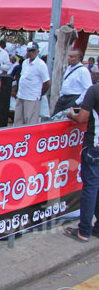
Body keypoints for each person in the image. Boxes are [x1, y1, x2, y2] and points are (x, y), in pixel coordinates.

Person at [66, 87, 99, 242]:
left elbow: (81, 118)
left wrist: (72, 113)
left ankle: (84, 231)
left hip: (94, 147)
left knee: (90, 189)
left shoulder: (94, 90)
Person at [14, 42, 50, 126]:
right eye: (29, 51)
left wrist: (40, 94)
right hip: (21, 95)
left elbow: (47, 82)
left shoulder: (41, 65)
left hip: (32, 97)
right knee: (18, 120)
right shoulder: (25, 62)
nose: (31, 53)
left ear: (37, 51)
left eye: (33, 51)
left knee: (30, 122)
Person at [53, 49, 92, 115]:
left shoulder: (83, 71)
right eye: (69, 56)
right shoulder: (69, 68)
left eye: (72, 57)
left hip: (73, 99)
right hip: (63, 98)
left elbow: (88, 89)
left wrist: (77, 102)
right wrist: (61, 94)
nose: (69, 58)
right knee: (55, 117)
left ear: (78, 58)